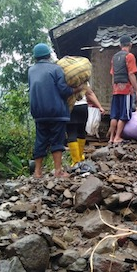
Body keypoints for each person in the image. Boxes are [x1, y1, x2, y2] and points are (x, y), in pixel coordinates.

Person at [28, 42, 81, 178]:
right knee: (57, 140)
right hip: (56, 111)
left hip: (38, 112)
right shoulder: (56, 69)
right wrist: (76, 89)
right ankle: (58, 171)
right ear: (48, 55)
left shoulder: (31, 70)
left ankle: (37, 172)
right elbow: (63, 91)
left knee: (40, 140)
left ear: (36, 57)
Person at [108, 35, 137, 144]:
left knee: (114, 115)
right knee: (124, 114)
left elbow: (113, 75)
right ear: (130, 44)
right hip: (126, 90)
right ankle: (118, 137)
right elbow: (131, 74)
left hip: (115, 90)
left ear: (119, 45)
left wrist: (114, 88)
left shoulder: (114, 57)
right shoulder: (129, 56)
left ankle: (111, 138)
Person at [67, 84, 105, 171]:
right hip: (83, 107)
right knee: (81, 132)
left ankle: (76, 162)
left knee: (71, 133)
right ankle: (81, 157)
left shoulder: (66, 77)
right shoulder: (82, 78)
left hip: (70, 106)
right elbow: (90, 93)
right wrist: (100, 107)